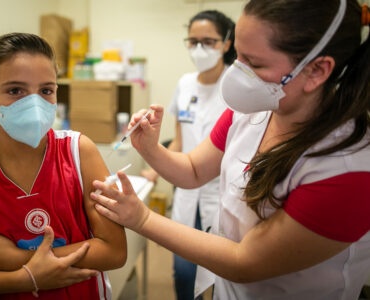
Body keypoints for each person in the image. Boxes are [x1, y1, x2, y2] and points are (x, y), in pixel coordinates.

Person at [92, 0, 370, 299]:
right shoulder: (253, 111)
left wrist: (142, 219)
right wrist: (150, 148)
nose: (238, 73)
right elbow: (194, 170)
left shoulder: (348, 169)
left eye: (255, 63)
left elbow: (245, 262)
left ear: (317, 70)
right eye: (238, 56)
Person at [0, 32, 127, 300]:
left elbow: (114, 251)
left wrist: (18, 258)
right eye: (16, 90)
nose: (34, 104)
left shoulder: (79, 152)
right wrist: (26, 277)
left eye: (45, 91)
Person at [141, 10, 236, 300]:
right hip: (186, 190)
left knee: (222, 277)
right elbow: (179, 141)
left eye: (208, 41)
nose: (199, 49)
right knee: (183, 273)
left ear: (227, 43)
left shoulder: (236, 86)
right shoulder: (185, 83)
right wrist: (153, 172)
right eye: (193, 41)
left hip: (221, 193)